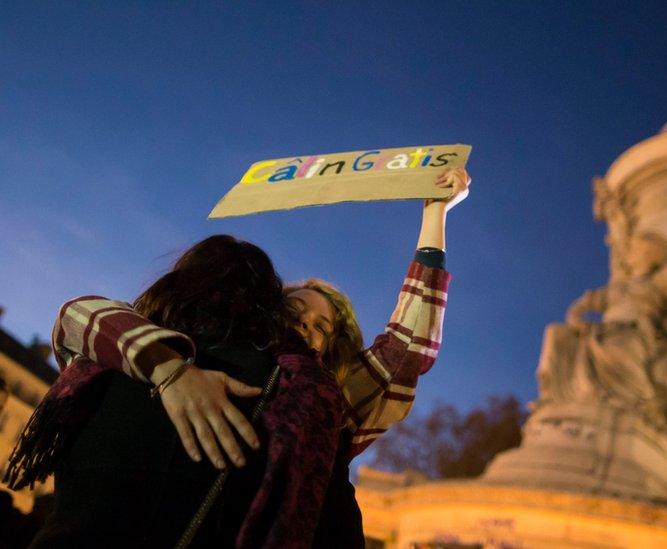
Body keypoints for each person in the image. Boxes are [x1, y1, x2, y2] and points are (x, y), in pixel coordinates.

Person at [9, 168, 470, 547]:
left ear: (331, 352)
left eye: (323, 328)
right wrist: (173, 371)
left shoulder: (324, 405)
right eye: (295, 310)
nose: (306, 325)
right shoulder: (175, 347)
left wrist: (435, 215)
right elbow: (80, 312)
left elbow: (407, 348)